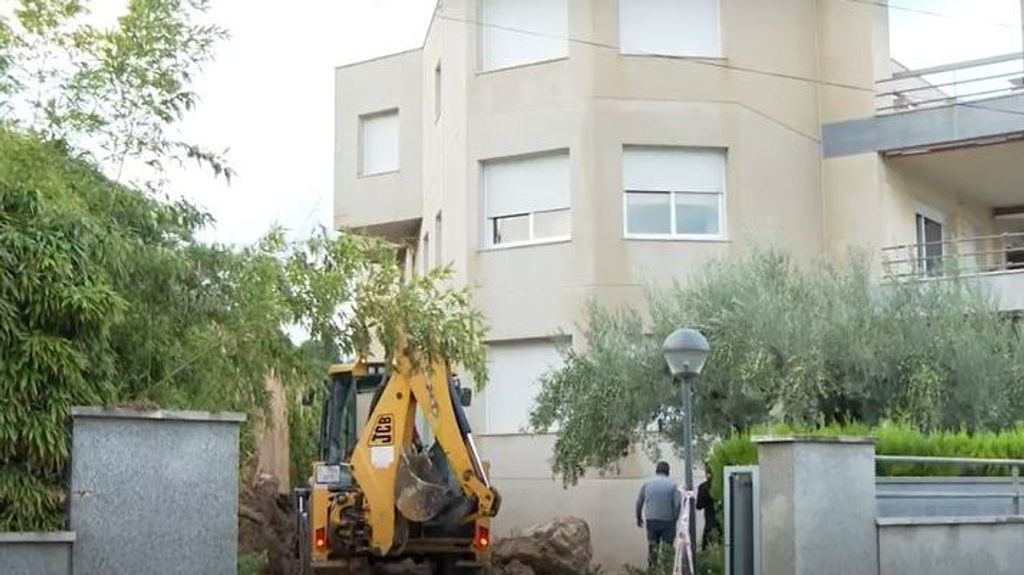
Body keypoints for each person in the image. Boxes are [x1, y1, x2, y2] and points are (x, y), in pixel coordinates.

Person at [635, 461, 681, 569]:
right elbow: (677, 505)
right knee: (667, 551)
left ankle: (652, 570)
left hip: (651, 521)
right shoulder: (673, 485)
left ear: (656, 471)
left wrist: (638, 517)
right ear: (668, 472)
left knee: (652, 549)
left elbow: (639, 502)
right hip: (668, 522)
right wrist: (675, 518)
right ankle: (667, 570)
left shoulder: (647, 484)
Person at [696, 463, 722, 549]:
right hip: (722, 524)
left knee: (705, 547)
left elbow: (699, 506)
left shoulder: (703, 487)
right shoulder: (722, 486)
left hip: (709, 523)